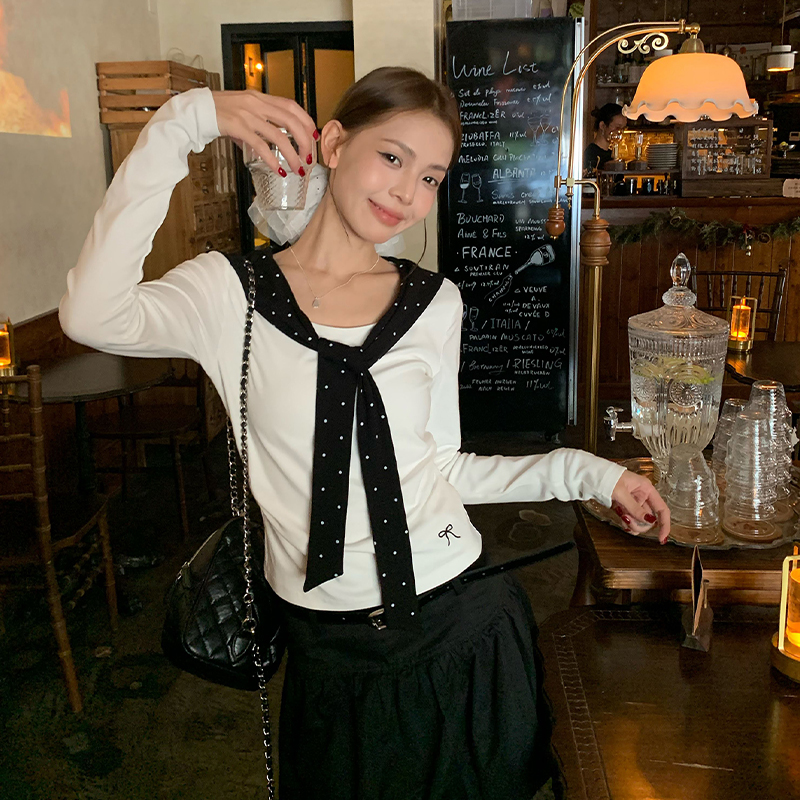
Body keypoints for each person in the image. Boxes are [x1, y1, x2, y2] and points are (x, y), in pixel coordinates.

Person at [59, 67, 670, 800]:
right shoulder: (230, 294)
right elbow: (91, 314)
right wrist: (185, 121)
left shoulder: (434, 302)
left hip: (463, 619)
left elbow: (444, 466)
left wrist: (593, 473)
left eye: (431, 177)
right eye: (392, 157)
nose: (407, 193)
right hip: (331, 650)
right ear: (335, 144)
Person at [584, 102, 626, 175]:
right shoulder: (591, 154)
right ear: (602, 126)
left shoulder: (610, 154)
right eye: (617, 127)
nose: (620, 132)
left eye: (623, 129)